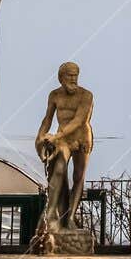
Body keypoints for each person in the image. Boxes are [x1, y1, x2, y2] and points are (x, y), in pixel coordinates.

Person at [35, 62, 94, 233]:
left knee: (78, 177)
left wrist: (55, 136)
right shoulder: (54, 95)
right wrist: (40, 137)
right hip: (63, 138)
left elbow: (79, 121)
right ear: (61, 77)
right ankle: (51, 212)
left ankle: (70, 218)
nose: (73, 79)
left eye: (75, 75)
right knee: (59, 170)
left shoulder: (86, 95)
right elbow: (48, 118)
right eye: (69, 75)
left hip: (81, 138)